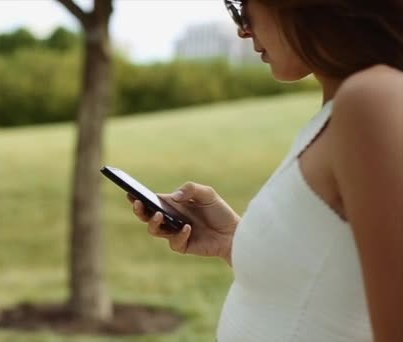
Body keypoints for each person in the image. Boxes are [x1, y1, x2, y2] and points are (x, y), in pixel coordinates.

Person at [127, 0, 402, 341]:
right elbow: (328, 283)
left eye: (243, 6)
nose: (242, 28)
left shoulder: (373, 100)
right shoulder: (339, 111)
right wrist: (235, 242)